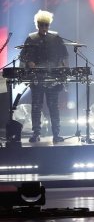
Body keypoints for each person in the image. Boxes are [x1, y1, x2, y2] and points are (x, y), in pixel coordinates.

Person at [19, 10, 69, 143]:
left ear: (49, 25)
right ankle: (36, 133)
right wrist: (29, 62)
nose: (44, 27)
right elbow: (23, 55)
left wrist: (62, 70)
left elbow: (64, 55)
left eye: (46, 25)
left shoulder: (56, 38)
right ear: (37, 25)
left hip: (53, 77)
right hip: (37, 78)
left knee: (54, 107)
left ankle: (56, 134)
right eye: (41, 24)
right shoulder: (31, 38)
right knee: (36, 107)